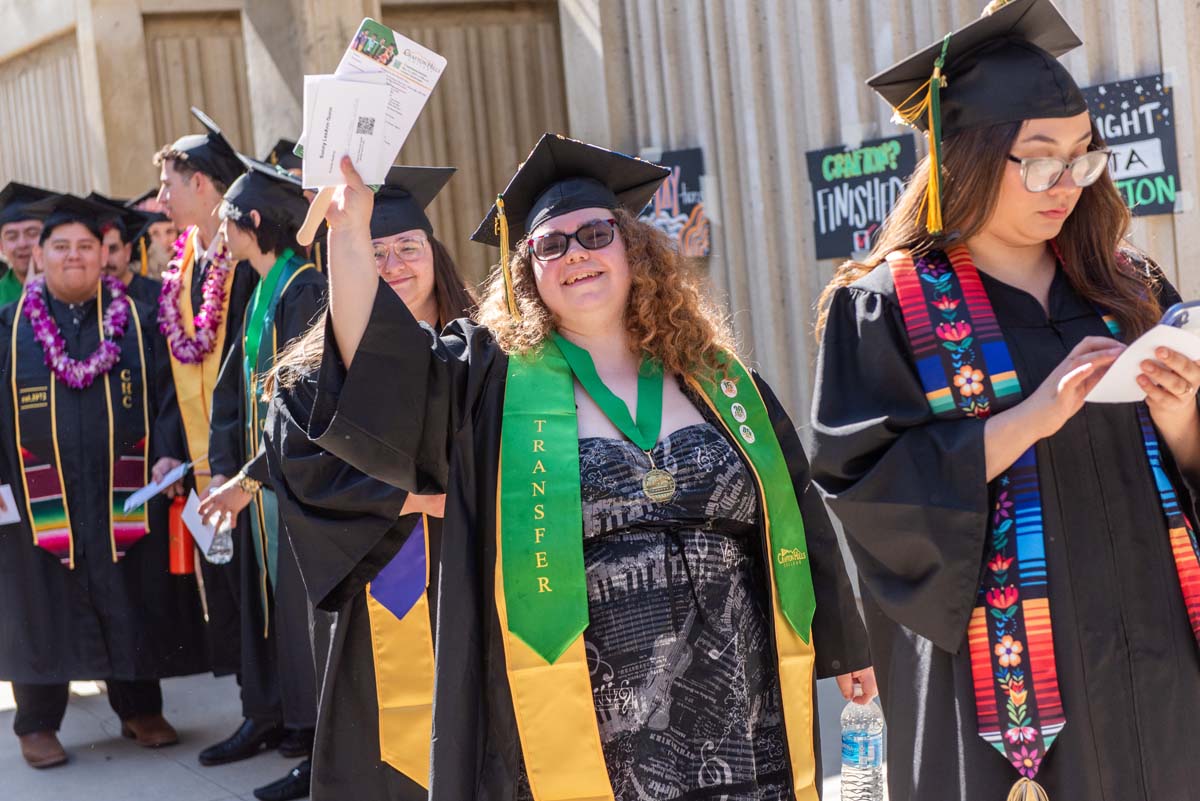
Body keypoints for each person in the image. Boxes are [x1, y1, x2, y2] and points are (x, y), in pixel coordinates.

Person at [305, 135, 874, 800]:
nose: (576, 253)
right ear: (529, 274)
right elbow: (385, 378)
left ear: (634, 251)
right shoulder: (492, 389)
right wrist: (349, 240)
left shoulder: (719, 378)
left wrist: (844, 639)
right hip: (588, 723)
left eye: (596, 233)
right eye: (551, 244)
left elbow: (792, 505)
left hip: (741, 704)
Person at [809, 1, 1200, 799]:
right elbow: (870, 492)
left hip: (1162, 657)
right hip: (1012, 702)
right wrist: (1030, 419)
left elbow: (1187, 461)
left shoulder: (1127, 289)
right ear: (969, 159)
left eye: (1083, 157)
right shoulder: (889, 308)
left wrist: (1180, 417)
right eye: (1041, 160)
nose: (1067, 183)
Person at [262, 166, 473, 801]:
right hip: (377, 584)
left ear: (435, 253)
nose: (394, 263)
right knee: (384, 745)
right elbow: (298, 472)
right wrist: (411, 498)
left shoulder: (488, 352)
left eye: (408, 246)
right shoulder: (306, 372)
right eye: (373, 251)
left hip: (476, 577)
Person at [0, 194, 209, 769]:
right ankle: (37, 723)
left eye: (86, 247)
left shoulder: (141, 322)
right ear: (38, 257)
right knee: (38, 604)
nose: (74, 256)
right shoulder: (5, 327)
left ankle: (140, 708)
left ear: (103, 257)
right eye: (61, 246)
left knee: (128, 596)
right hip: (34, 495)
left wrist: (169, 455)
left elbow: (172, 397)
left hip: (123, 490)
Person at [198, 158, 326, 801]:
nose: (218, 232)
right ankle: (270, 712)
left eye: (225, 219)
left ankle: (306, 730)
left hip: (287, 484)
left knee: (296, 608)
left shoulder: (302, 285)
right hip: (257, 483)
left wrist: (252, 476)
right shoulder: (263, 283)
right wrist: (227, 464)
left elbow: (303, 398)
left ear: (250, 221)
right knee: (263, 604)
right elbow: (234, 384)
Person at [150, 107, 260, 723]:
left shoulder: (239, 257)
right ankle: (255, 712)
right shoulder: (184, 265)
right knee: (227, 594)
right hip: (198, 465)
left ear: (200, 184)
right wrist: (171, 443)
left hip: (243, 463)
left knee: (257, 591)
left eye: (169, 184)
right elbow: (178, 373)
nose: (161, 198)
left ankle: (278, 715)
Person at [87, 192, 164, 306]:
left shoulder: (157, 295)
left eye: (112, 249)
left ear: (127, 251)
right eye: (99, 251)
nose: (105, 261)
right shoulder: (84, 299)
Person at [0, 183, 53, 306]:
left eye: (32, 233)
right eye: (12, 236)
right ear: (1, 246)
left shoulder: (74, 287)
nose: (22, 244)